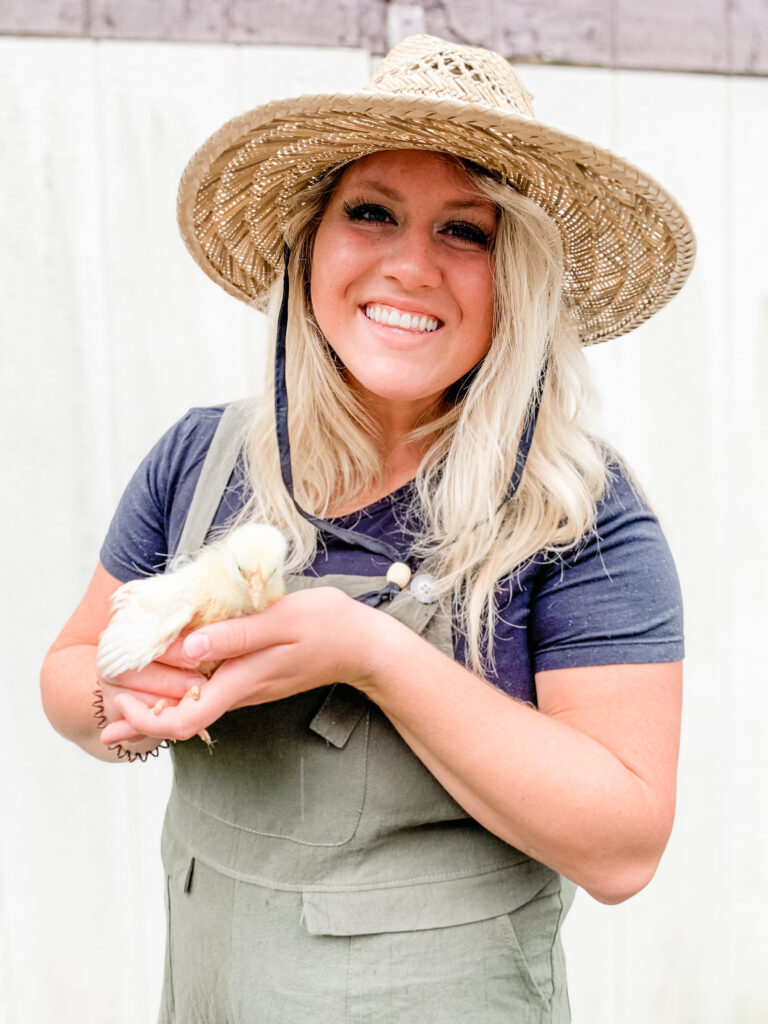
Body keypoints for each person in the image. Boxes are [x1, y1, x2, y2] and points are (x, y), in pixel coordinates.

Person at [40, 35, 694, 1023]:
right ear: (310, 243)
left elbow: (624, 846)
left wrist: (369, 652)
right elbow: (69, 672)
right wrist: (126, 690)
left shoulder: (576, 515)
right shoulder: (202, 457)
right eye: (371, 212)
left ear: (515, 273)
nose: (411, 266)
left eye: (465, 232)